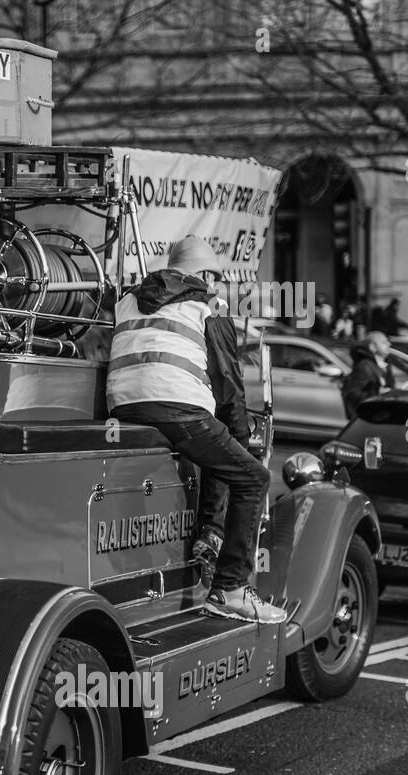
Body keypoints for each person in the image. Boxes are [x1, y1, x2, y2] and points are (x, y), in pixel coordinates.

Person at [106, 236, 286, 624]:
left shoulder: (127, 299)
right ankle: (231, 589)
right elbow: (228, 386)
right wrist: (242, 442)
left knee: (219, 452)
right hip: (177, 406)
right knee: (252, 478)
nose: (217, 285)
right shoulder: (209, 304)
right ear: (205, 274)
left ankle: (210, 535)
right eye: (215, 277)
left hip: (122, 406)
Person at [341, 331, 395, 418]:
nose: (389, 344)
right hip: (367, 416)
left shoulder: (385, 364)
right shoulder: (364, 367)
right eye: (384, 342)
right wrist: (377, 393)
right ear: (373, 347)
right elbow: (352, 393)